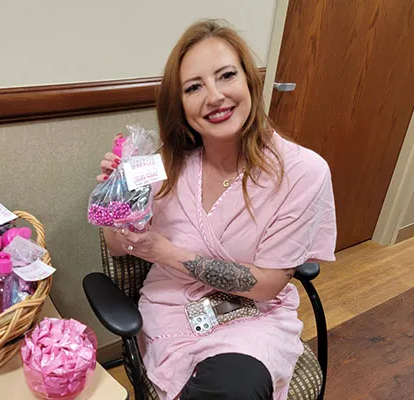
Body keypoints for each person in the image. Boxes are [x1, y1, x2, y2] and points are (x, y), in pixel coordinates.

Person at [96, 19, 337, 400]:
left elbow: (268, 284)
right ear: (180, 105)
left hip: (250, 318)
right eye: (194, 87)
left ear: (249, 81)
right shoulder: (165, 166)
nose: (213, 96)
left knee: (234, 387)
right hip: (171, 310)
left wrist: (166, 252)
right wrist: (114, 200)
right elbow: (115, 245)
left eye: (226, 76)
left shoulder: (302, 173)